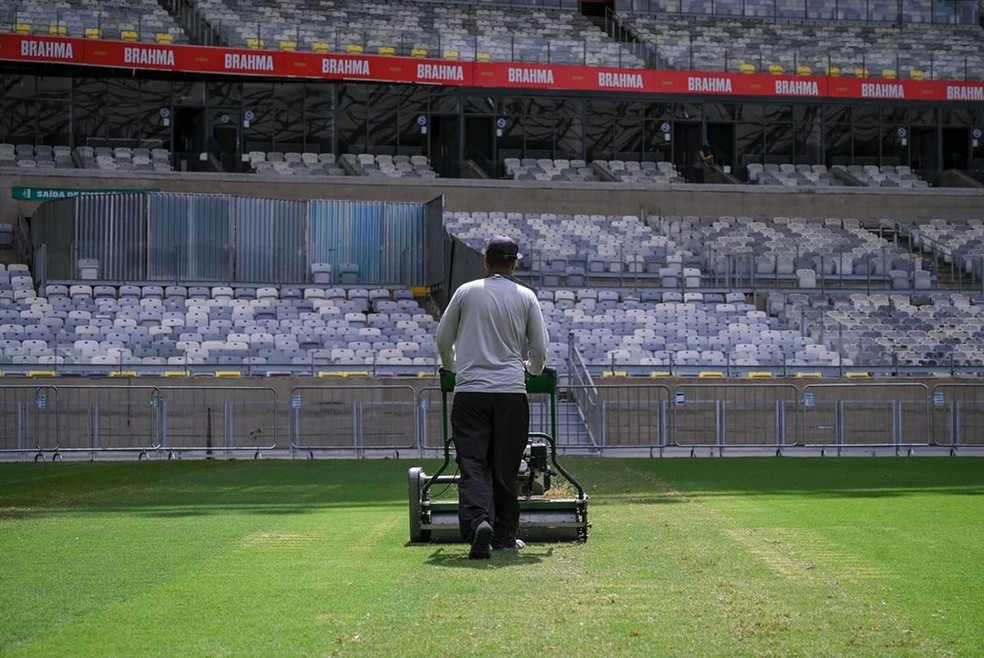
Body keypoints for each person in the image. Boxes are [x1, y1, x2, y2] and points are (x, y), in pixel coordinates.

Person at [435, 235, 549, 560]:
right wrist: (532, 369)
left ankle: (477, 523)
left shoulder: (465, 292)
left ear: (486, 262)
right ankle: (504, 535)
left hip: (471, 390)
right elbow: (539, 350)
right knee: (506, 466)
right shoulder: (527, 297)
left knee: (472, 462)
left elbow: (443, 338)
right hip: (511, 392)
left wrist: (452, 367)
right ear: (514, 264)